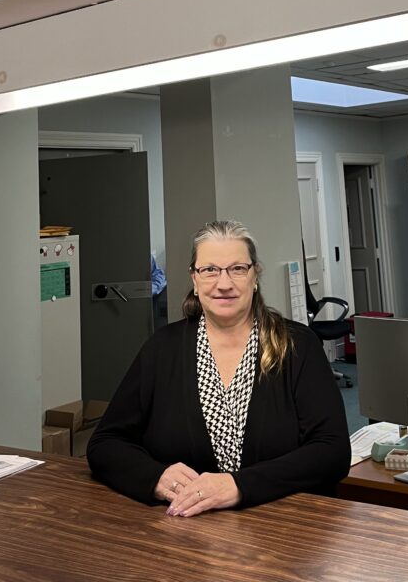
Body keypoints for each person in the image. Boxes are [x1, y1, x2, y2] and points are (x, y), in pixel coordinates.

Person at [87, 220, 351, 516]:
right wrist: (155, 477)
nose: (223, 283)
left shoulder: (297, 346)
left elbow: (333, 451)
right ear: (194, 279)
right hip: (183, 536)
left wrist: (239, 485)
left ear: (255, 276)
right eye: (209, 270)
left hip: (285, 532)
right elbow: (105, 443)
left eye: (237, 269)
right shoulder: (162, 349)